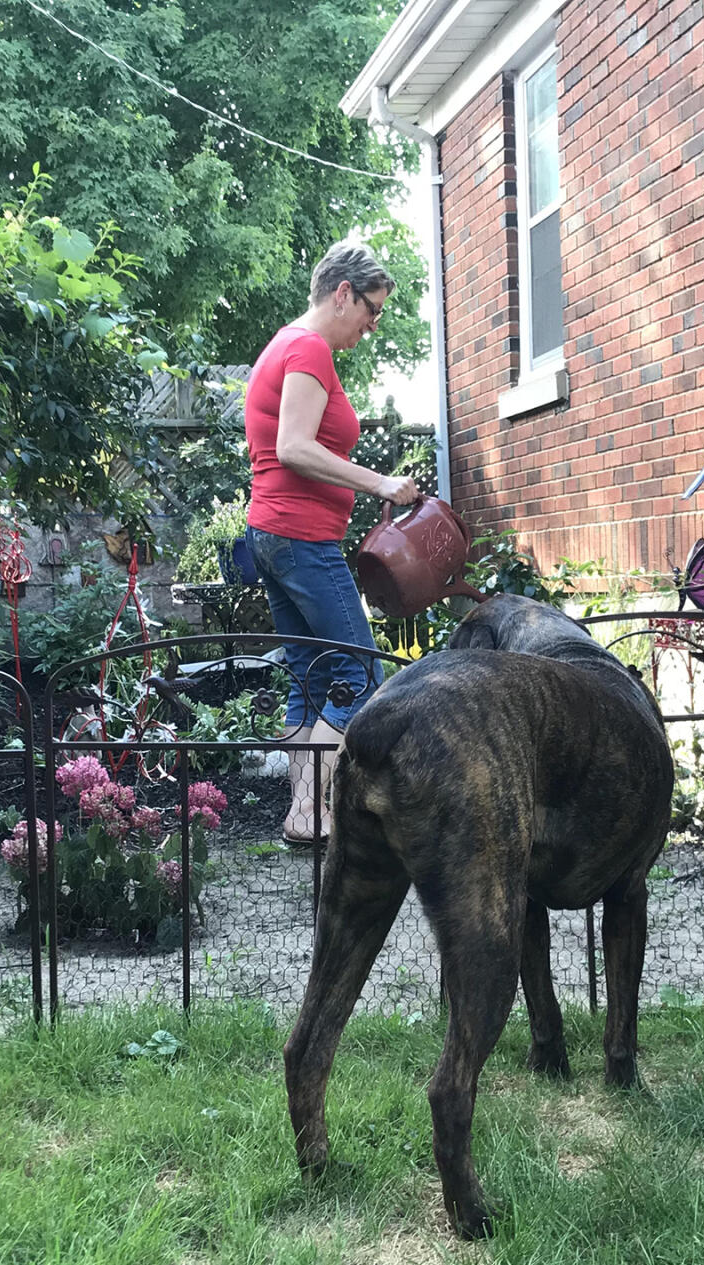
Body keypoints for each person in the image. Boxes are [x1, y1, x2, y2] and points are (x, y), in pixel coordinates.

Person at [243, 241, 420, 844]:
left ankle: (306, 817)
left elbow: (292, 449)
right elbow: (293, 446)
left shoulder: (285, 344)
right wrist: (382, 483)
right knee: (360, 673)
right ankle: (308, 811)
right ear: (343, 292)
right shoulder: (307, 347)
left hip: (274, 532)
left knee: (310, 676)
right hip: (299, 538)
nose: (372, 326)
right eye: (371, 310)